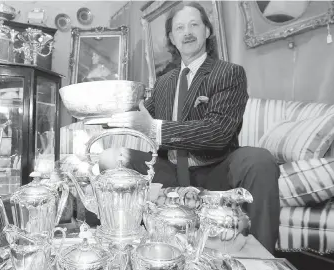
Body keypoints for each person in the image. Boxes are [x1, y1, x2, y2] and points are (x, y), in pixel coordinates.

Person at [101, 2, 280, 253]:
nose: (187, 32)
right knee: (111, 158)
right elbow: (139, 116)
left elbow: (218, 132)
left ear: (207, 31)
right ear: (172, 38)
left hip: (214, 167)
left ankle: (262, 261)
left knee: (259, 160)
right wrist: (103, 114)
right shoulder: (164, 83)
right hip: (169, 169)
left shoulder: (228, 73)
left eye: (194, 25)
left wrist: (155, 129)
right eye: (180, 27)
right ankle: (119, 245)